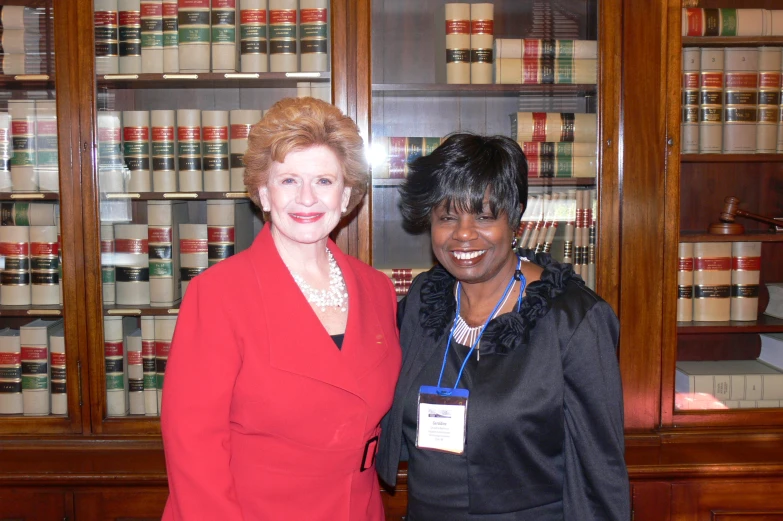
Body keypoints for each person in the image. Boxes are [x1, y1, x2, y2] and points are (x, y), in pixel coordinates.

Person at [161, 97, 402, 521]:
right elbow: (193, 447)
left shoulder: (377, 288)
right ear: (263, 193)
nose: (307, 198)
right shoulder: (217, 294)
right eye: (289, 180)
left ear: (346, 195)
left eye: (324, 181)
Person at [376, 133, 629, 520]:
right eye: (447, 217)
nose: (463, 233)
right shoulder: (424, 302)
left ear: (515, 219)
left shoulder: (573, 321)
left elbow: (600, 471)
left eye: (484, 215)